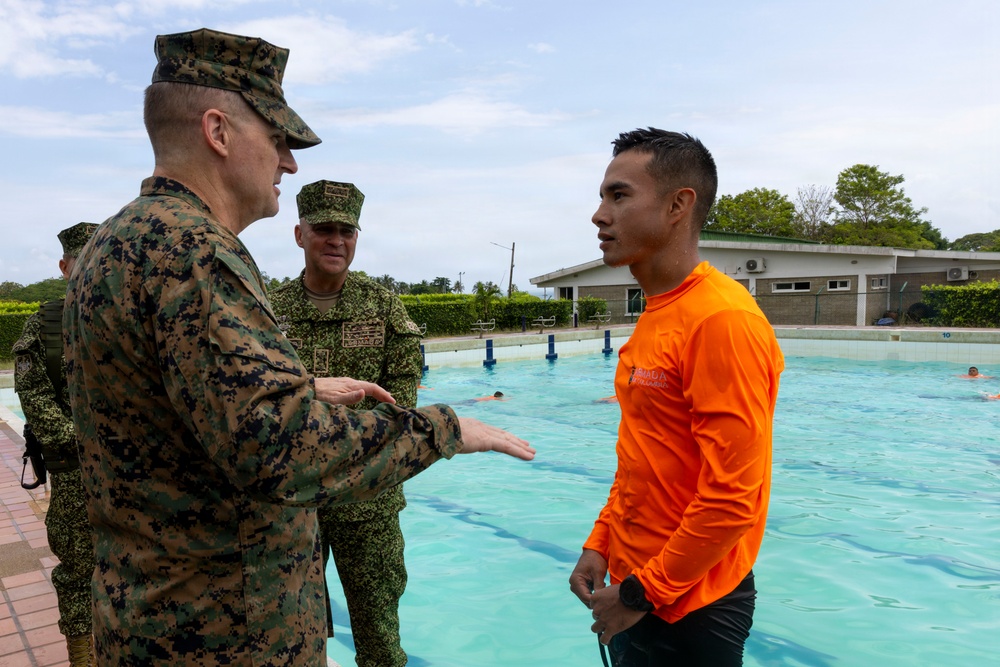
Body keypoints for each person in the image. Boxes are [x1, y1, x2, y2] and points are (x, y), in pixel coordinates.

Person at [62, 28, 534, 667]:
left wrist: (303, 389)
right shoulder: (195, 254)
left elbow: (170, 408)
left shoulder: (116, 242)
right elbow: (278, 448)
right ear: (218, 131)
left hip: (151, 614)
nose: (289, 163)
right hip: (224, 632)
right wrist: (443, 430)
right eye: (279, 139)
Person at [568, 129, 784, 666]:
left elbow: (733, 497)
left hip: (691, 605)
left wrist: (644, 594)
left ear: (677, 205)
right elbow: (643, 458)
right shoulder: (661, 312)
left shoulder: (722, 320)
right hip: (639, 587)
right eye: (602, 197)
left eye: (618, 196)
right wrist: (602, 541)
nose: (599, 214)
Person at [269, 180, 418, 666]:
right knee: (288, 638)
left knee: (378, 639)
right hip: (290, 506)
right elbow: (257, 403)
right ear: (299, 234)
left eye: (346, 231)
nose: (337, 240)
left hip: (366, 500)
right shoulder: (268, 313)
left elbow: (400, 405)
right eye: (324, 230)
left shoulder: (384, 307)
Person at [13, 222, 98, 666]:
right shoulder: (44, 323)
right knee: (78, 572)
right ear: (65, 266)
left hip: (133, 475)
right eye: (79, 262)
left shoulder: (132, 318)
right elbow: (33, 392)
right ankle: (83, 658)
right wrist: (80, 441)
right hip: (73, 477)